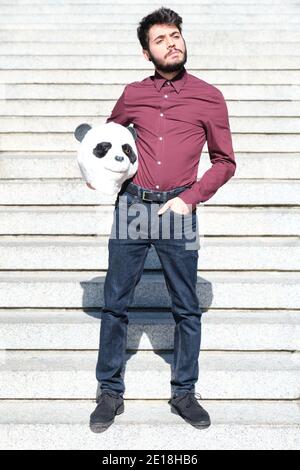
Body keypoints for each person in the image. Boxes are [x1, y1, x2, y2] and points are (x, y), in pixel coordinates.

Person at [89, 6, 236, 430]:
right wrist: (96, 175)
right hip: (132, 206)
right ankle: (110, 392)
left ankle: (184, 393)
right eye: (160, 39)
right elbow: (106, 140)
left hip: (179, 210)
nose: (171, 43)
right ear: (146, 52)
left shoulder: (209, 96)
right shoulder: (133, 94)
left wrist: (191, 198)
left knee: (186, 308)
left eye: (175, 35)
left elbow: (225, 162)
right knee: (115, 303)